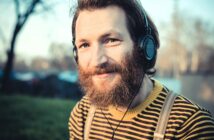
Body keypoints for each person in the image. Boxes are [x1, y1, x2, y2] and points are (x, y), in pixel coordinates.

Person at [68, 0, 214, 139]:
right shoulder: (83, 115)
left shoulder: (190, 126)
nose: (97, 60)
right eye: (85, 45)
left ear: (143, 47)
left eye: (111, 40)